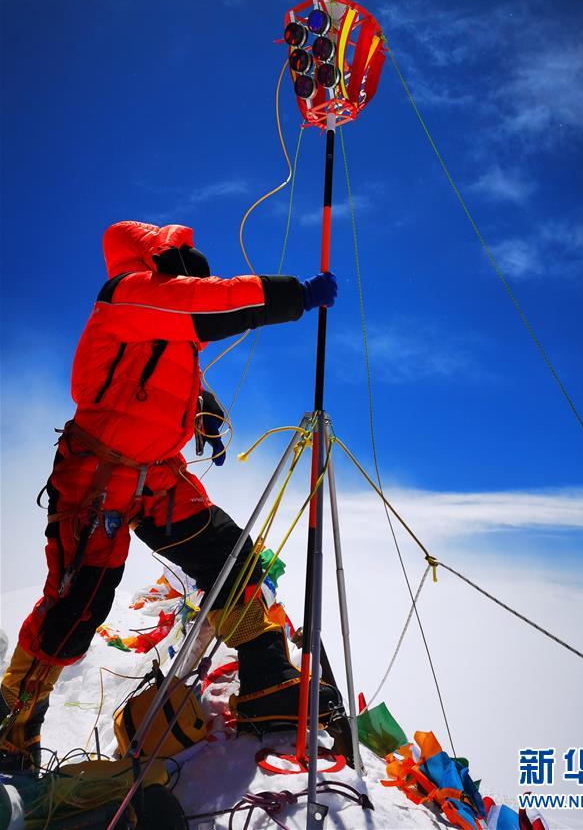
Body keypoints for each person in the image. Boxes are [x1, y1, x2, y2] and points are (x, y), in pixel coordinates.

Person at [0, 220, 339, 771]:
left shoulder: (164, 318)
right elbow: (203, 307)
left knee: (230, 556)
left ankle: (266, 682)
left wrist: (200, 408)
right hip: (98, 477)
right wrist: (293, 295)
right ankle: (14, 724)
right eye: (182, 260)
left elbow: (166, 365)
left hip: (158, 474)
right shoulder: (126, 294)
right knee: (77, 603)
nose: (192, 269)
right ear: (157, 259)